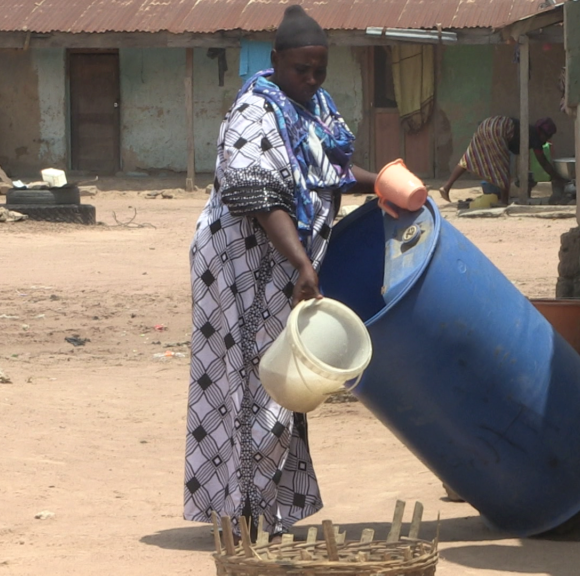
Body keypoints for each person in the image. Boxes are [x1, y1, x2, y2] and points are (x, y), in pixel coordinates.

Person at [183, 4, 376, 538]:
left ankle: (261, 507)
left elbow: (329, 170)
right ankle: (244, 512)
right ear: (275, 61)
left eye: (319, 70)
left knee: (280, 381)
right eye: (301, 70)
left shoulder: (313, 108)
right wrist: (302, 263)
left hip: (285, 264)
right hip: (243, 262)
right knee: (256, 380)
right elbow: (260, 196)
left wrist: (382, 181)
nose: (311, 80)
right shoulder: (254, 112)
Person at [439, 116, 565, 204]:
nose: (546, 140)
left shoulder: (530, 130)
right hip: (498, 131)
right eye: (547, 136)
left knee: (469, 157)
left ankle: (446, 187)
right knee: (503, 167)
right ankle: (504, 201)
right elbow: (543, 162)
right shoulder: (536, 137)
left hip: (487, 124)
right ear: (543, 133)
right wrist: (558, 177)